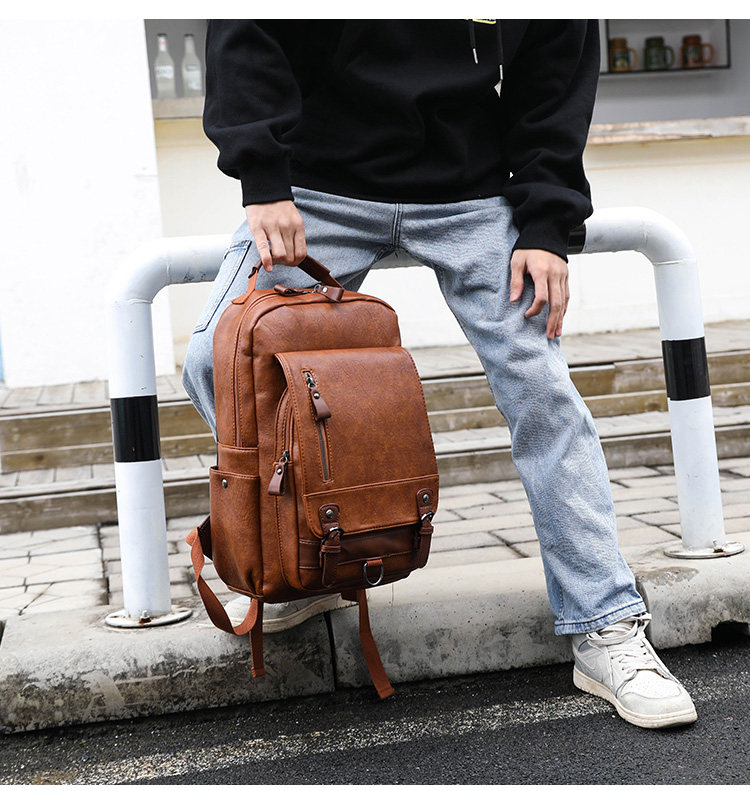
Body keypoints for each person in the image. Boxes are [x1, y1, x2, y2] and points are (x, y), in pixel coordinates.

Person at [183, 19, 697, 729]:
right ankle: (306, 561)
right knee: (216, 360)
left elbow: (555, 76)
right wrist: (262, 177)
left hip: (474, 195)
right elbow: (248, 28)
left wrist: (547, 225)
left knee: (542, 390)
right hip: (316, 187)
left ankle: (604, 623)